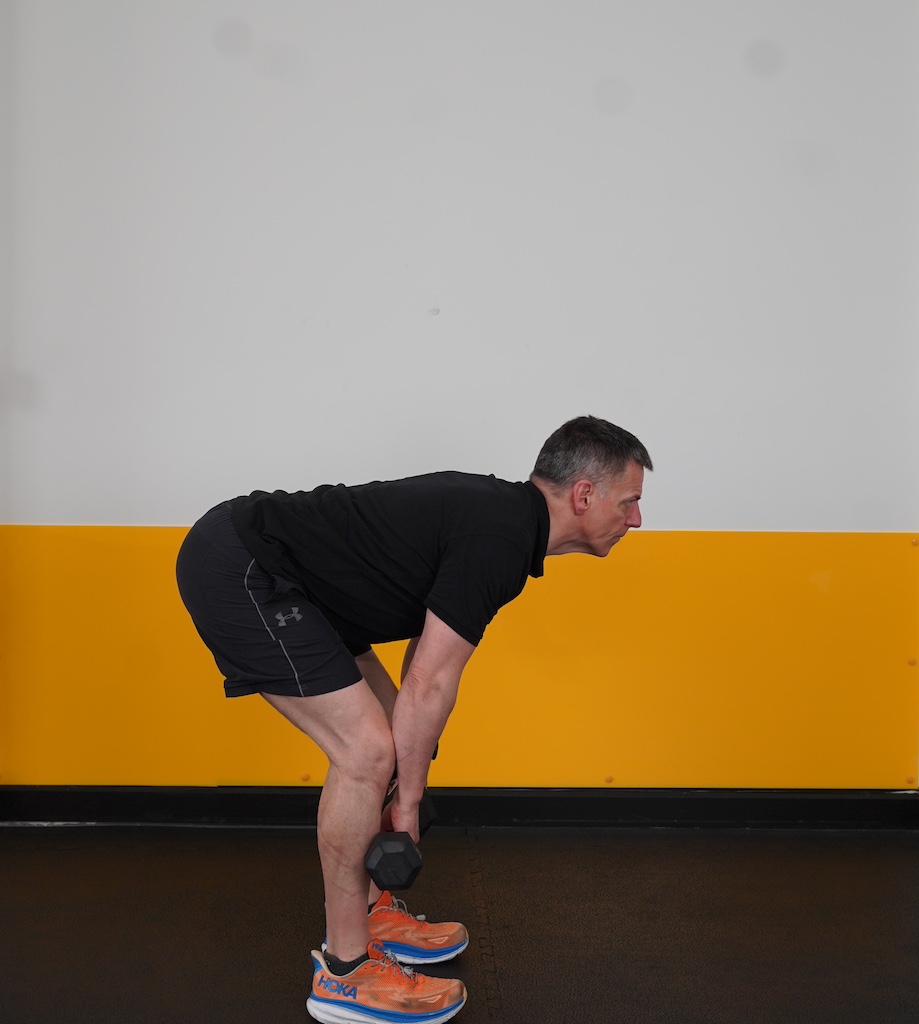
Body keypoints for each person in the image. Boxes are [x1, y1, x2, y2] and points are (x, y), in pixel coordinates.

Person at [175, 414, 652, 1024]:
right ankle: (345, 972)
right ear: (584, 496)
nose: (636, 519)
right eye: (630, 501)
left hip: (304, 586)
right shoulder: (501, 538)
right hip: (245, 567)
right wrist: (407, 805)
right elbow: (430, 683)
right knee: (370, 752)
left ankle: (372, 910)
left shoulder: (504, 521)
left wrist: (412, 770)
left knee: (397, 739)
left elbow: (422, 662)